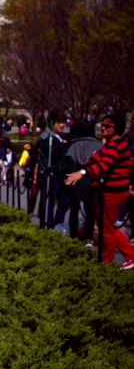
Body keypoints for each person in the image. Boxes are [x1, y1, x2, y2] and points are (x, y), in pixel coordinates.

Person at [65, 115, 133, 269]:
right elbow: (96, 162)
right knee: (106, 227)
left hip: (112, 191)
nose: (103, 128)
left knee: (106, 229)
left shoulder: (116, 145)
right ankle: (130, 255)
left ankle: (106, 263)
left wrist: (81, 173)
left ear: (117, 129)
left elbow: (102, 166)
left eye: (108, 126)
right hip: (105, 191)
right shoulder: (109, 145)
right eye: (102, 125)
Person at [61, 123, 102, 243]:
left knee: (74, 209)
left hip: (75, 179)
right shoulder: (98, 146)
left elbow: (66, 164)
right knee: (90, 210)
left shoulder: (73, 145)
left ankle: (73, 237)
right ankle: (88, 238)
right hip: (91, 180)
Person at [37, 121, 67, 229]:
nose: (62, 125)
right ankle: (47, 226)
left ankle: (57, 225)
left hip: (60, 175)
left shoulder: (59, 138)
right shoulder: (46, 138)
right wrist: (64, 145)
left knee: (64, 202)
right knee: (49, 203)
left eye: (63, 123)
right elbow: (55, 154)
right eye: (58, 123)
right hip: (50, 175)